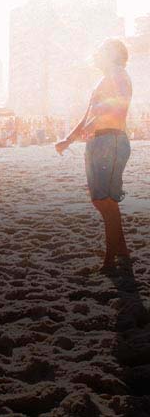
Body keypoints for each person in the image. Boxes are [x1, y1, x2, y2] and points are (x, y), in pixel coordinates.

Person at [55, 39, 133, 272]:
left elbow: (120, 105)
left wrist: (93, 121)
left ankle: (110, 261)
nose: (95, 55)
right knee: (100, 199)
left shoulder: (119, 74)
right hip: (99, 141)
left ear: (111, 55)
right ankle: (121, 250)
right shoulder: (103, 79)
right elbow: (87, 114)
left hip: (111, 140)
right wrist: (68, 139)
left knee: (106, 200)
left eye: (100, 52)